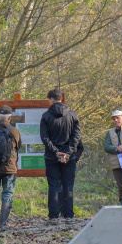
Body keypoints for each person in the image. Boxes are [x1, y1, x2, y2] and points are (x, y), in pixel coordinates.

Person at [40, 89, 82, 220]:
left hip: (51, 156)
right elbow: (76, 137)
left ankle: (53, 216)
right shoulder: (73, 115)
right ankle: (68, 215)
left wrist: (56, 152)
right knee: (68, 185)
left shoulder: (46, 116)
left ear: (52, 99)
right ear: (61, 99)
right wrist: (68, 153)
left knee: (53, 185)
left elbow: (44, 137)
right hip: (69, 157)